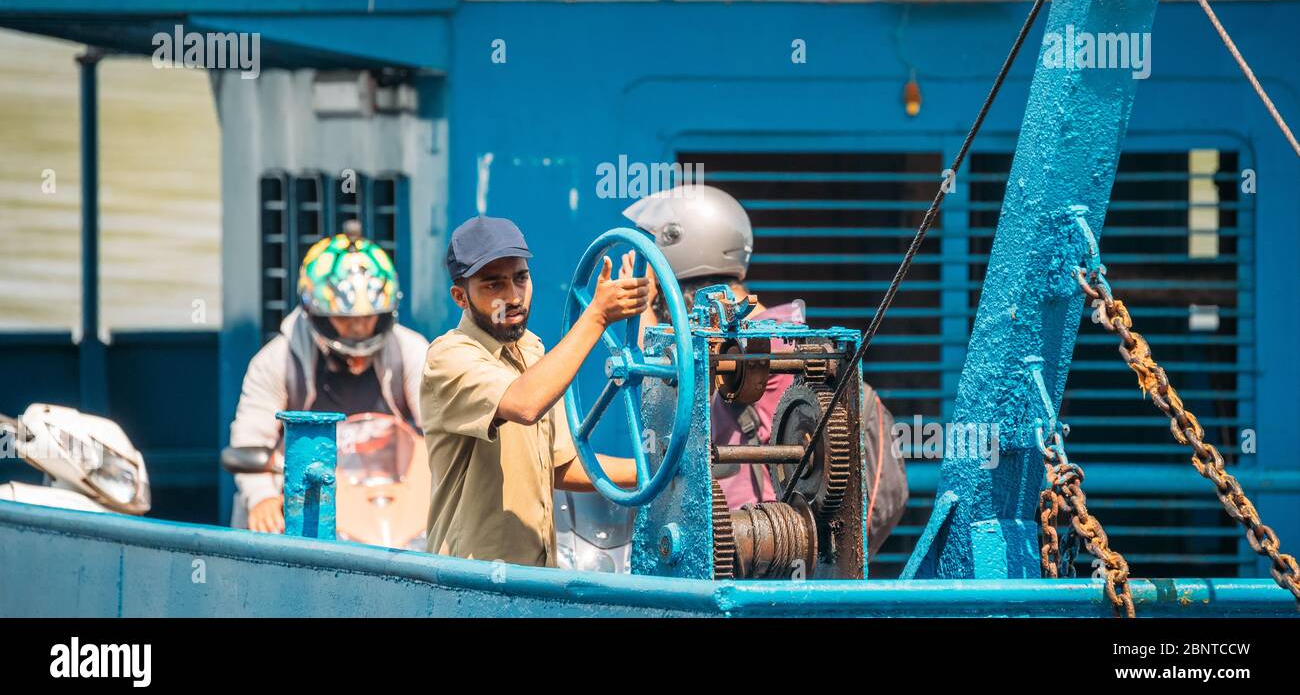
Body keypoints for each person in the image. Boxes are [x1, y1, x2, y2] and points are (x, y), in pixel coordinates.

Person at [623, 185, 908, 555]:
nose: (659, 301)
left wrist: (641, 310)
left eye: (660, 288)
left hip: (748, 561)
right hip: (785, 560)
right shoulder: (788, 338)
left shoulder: (739, 349)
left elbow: (662, 397)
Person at [421, 215, 644, 566]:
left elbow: (559, 467)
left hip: (535, 581)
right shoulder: (449, 357)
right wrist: (598, 317)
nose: (512, 297)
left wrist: (652, 470)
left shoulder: (531, 351)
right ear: (460, 297)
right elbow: (525, 404)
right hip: (469, 585)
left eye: (521, 278)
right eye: (493, 285)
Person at [228, 223, 428, 533]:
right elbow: (249, 441)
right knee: (258, 519)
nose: (359, 330)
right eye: (347, 320)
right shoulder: (276, 361)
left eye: (367, 318)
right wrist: (262, 499)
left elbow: (439, 429)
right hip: (301, 504)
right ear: (316, 312)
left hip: (392, 507)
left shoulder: (412, 352)